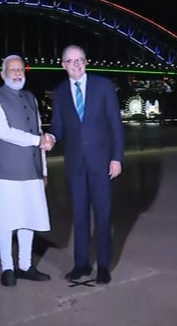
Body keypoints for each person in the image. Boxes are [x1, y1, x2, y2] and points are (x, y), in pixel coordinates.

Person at [43, 45, 124, 284]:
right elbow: (58, 125)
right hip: (76, 164)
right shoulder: (59, 93)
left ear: (86, 62)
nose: (76, 64)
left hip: (102, 162)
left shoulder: (103, 86)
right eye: (71, 61)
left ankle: (104, 266)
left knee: (103, 215)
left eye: (80, 60)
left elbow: (115, 125)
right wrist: (51, 137)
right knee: (79, 216)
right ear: (63, 65)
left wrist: (117, 157)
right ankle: (81, 264)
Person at [0, 55, 52, 287]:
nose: (17, 72)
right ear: (3, 74)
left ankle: (24, 265)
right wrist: (37, 140)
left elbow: (39, 129)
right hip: (6, 170)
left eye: (21, 68)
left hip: (31, 169)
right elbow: (3, 132)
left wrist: (43, 170)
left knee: (28, 219)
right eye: (12, 69)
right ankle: (7, 268)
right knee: (6, 220)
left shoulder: (31, 98)